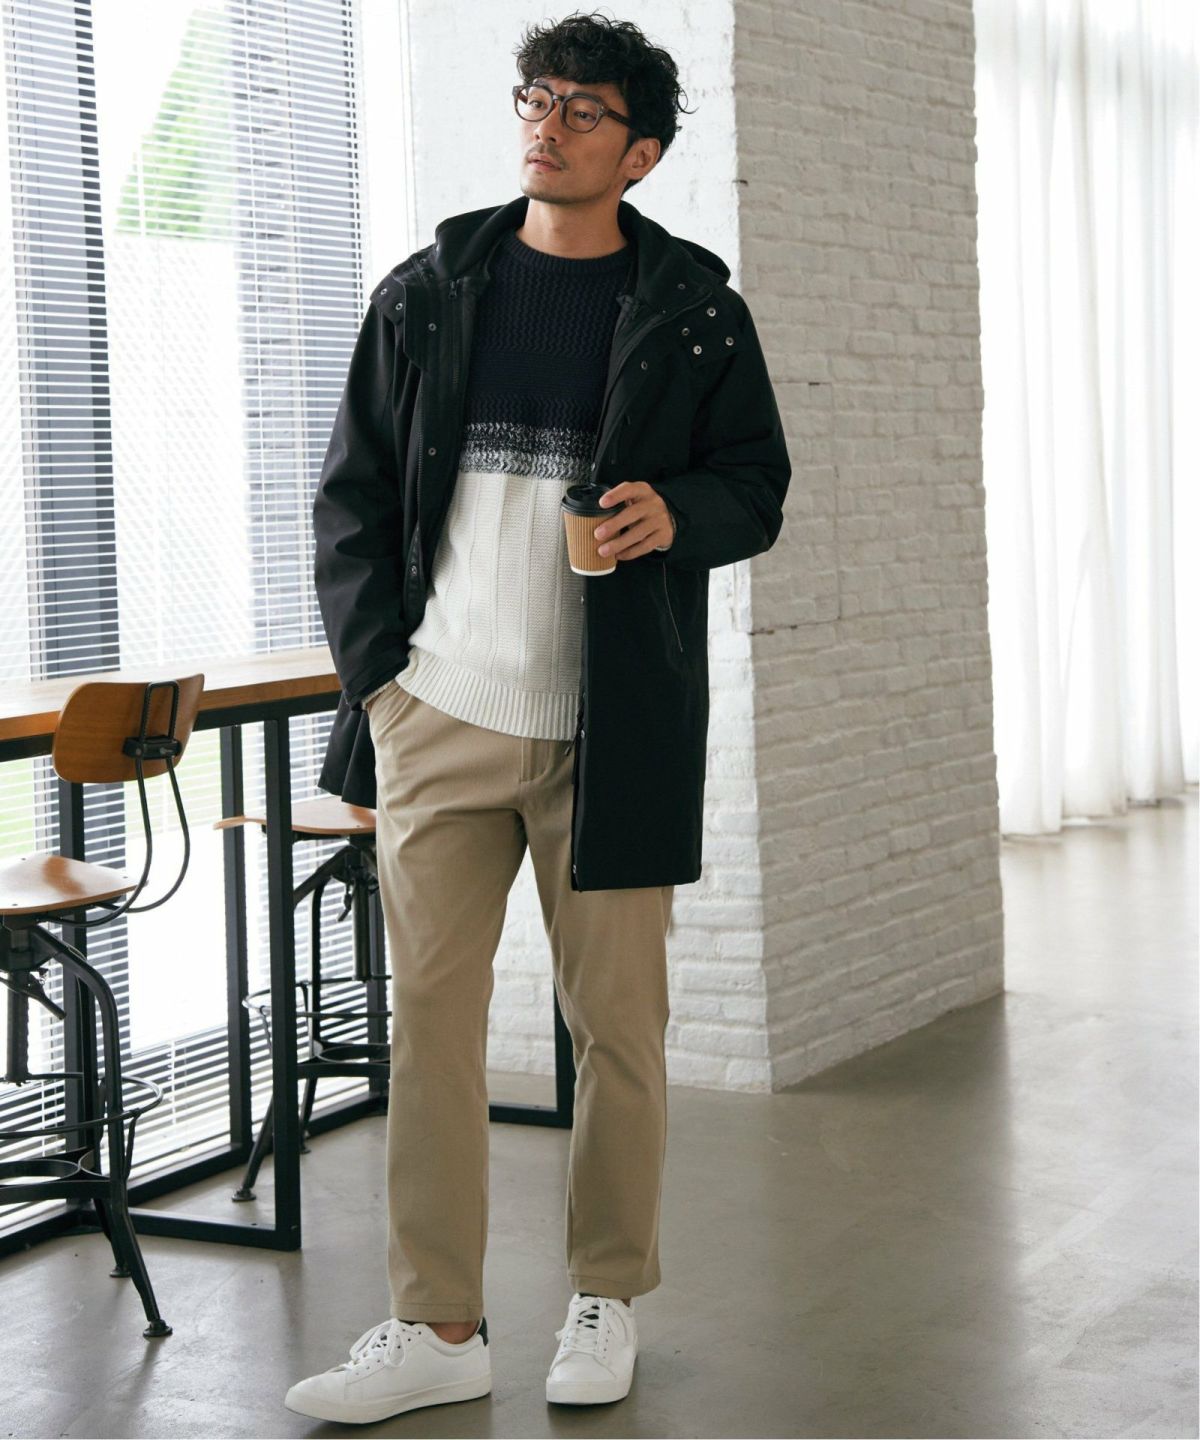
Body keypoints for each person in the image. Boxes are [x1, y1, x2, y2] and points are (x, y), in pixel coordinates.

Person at [286, 10, 791, 1426]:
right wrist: (384, 687)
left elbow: (756, 484)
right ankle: (437, 1325)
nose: (546, 126)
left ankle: (606, 1295)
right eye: (536, 98)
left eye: (582, 110)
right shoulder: (428, 293)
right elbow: (350, 498)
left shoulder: (694, 310)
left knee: (618, 1031)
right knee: (430, 1030)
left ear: (640, 152)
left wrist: (675, 513)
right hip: (438, 713)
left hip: (610, 730)